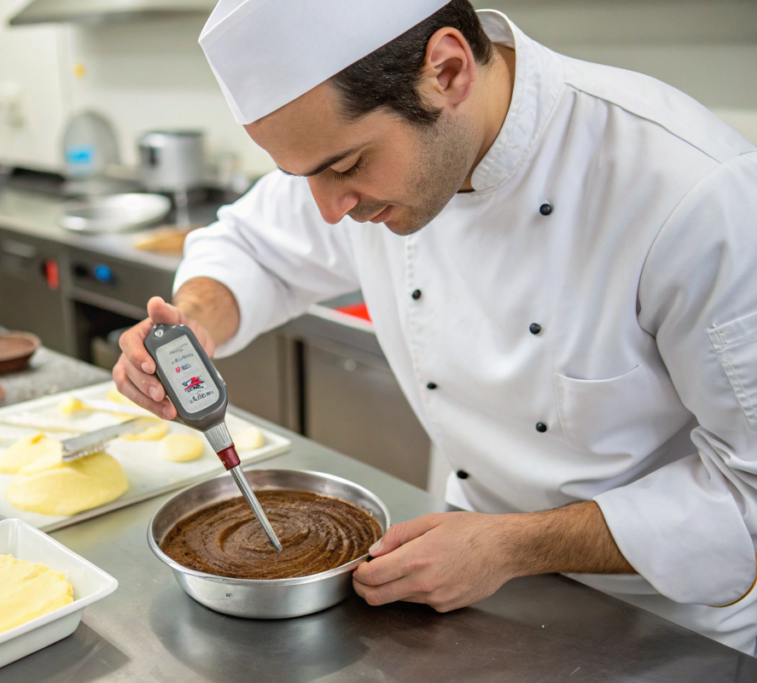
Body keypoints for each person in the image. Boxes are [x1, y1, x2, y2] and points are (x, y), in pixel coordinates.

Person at [114, 0, 757, 653]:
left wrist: (513, 544)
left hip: (672, 626)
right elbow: (253, 247)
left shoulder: (694, 191)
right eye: (304, 176)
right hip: (470, 586)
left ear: (446, 72)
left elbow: (749, 499)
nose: (330, 210)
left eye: (345, 166)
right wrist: (194, 318)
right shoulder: (372, 150)